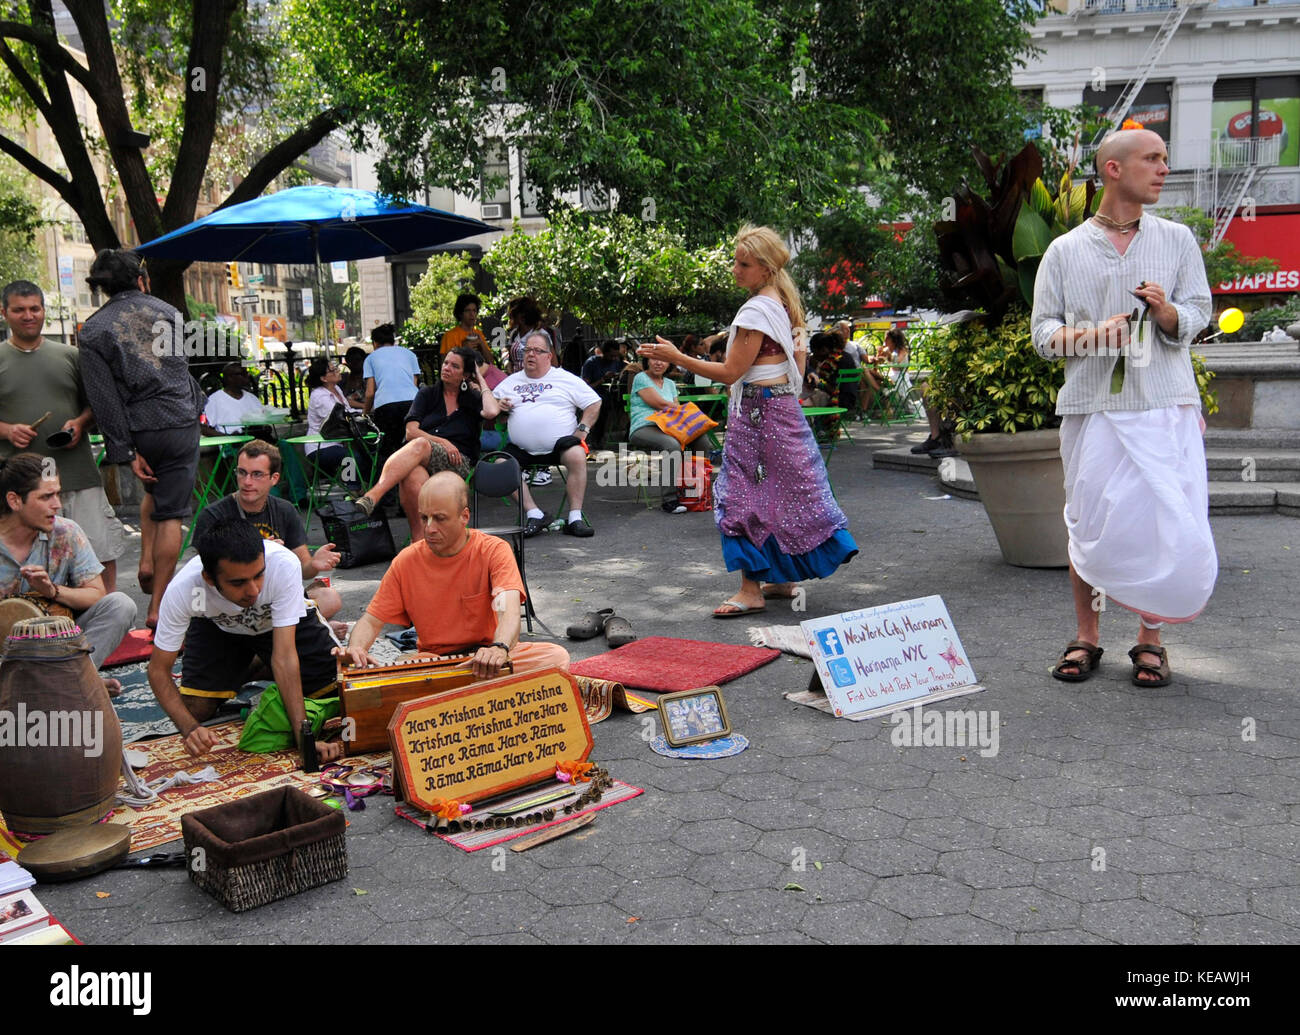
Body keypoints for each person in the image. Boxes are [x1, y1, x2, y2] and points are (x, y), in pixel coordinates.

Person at [1032, 127, 1215, 687]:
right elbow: (1043, 335)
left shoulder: (1177, 240)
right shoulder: (1063, 251)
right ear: (1113, 169)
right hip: (1093, 409)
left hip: (1164, 403)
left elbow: (1200, 313)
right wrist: (1093, 336)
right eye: (1152, 158)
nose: (1164, 168)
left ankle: (1150, 638)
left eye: (1165, 157)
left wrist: (1165, 317)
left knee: (1163, 524)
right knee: (1089, 525)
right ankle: (1087, 636)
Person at [640, 224, 857, 616]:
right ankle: (781, 579)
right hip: (784, 409)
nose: (735, 270)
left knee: (741, 497)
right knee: (788, 493)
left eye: (744, 264)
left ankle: (750, 590)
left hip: (758, 415)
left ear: (766, 268)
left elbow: (729, 372)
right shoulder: (789, 303)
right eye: (735, 261)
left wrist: (676, 356)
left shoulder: (757, 310)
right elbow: (798, 364)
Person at [337, 472, 569, 680]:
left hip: (492, 656)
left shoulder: (493, 550)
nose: (429, 528)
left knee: (554, 657)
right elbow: (371, 620)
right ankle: (471, 685)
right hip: (438, 662)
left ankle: (460, 687)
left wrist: (499, 648)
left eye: (439, 518)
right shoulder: (406, 561)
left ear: (464, 517)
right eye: (424, 518)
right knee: (402, 668)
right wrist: (356, 648)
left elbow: (508, 609)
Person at [77, 249, 204, 629]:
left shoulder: (94, 329)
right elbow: (181, 371)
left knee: (154, 493)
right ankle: (158, 607)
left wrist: (124, 451)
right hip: (179, 420)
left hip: (139, 427)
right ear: (140, 278)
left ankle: (147, 561)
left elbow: (104, 400)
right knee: (172, 514)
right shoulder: (169, 313)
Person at [148, 520, 344, 761]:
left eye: (259, 576)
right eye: (238, 582)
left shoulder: (282, 564)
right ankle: (250, 666)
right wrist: (189, 728)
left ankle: (258, 664)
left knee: (338, 691)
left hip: (277, 624)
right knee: (195, 710)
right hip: (219, 627)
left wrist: (303, 737)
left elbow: (284, 656)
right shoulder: (184, 590)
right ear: (209, 579)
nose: (253, 591)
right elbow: (158, 670)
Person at [0, 279, 127, 592]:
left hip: (76, 473)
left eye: (35, 308)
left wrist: (81, 423)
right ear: (4, 313)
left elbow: (97, 404)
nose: (28, 315)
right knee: (25, 557)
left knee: (99, 550)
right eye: (19, 310)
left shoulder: (71, 355)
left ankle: (105, 613)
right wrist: (6, 430)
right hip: (21, 485)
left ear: (44, 311)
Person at [0, 453, 136, 695]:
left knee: (120, 605)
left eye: (57, 494)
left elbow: (96, 594)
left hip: (57, 645)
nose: (57, 504)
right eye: (46, 497)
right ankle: (77, 684)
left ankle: (76, 680)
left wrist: (52, 591)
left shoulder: (66, 532)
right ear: (14, 500)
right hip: (5, 657)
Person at [190, 439, 344, 622]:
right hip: (232, 601)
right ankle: (308, 627)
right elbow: (202, 576)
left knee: (330, 598)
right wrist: (263, 552)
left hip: (275, 598)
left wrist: (314, 565)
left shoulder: (284, 510)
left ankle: (298, 627)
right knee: (199, 612)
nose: (247, 482)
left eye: (257, 474)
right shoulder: (213, 515)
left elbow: (304, 571)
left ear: (274, 478)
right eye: (242, 473)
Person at [352, 347, 501, 532]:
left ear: (466, 374)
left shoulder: (472, 398)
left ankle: (374, 495)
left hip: (459, 461)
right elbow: (410, 432)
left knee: (421, 444)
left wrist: (479, 377)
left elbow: (492, 411)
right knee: (412, 476)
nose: (446, 368)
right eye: (446, 363)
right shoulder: (427, 394)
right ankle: (420, 540)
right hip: (425, 458)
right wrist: (442, 441)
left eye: (455, 366)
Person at [494, 331, 601, 538]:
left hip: (560, 446)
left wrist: (583, 429)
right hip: (521, 448)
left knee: (578, 455)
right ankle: (535, 514)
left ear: (548, 356)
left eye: (537, 351)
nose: (530, 355)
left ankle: (575, 518)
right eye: (527, 350)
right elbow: (491, 409)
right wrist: (499, 406)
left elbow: (594, 402)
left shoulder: (565, 378)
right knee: (501, 465)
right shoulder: (511, 381)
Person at [628, 354, 689, 514]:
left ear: (669, 363)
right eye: (654, 359)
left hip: (667, 427)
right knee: (671, 445)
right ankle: (670, 500)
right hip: (644, 427)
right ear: (647, 361)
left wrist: (678, 409)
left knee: (702, 441)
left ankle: (694, 492)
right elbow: (660, 404)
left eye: (663, 359)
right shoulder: (641, 377)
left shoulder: (670, 383)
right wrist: (682, 409)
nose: (658, 362)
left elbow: (675, 406)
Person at [361, 323, 421, 461]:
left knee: (387, 451)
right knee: (411, 447)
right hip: (412, 404)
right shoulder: (410, 354)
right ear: (393, 340)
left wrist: (365, 414)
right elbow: (414, 384)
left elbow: (370, 392)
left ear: (375, 343)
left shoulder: (371, 358)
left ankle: (390, 481)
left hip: (386, 406)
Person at [304, 356, 362, 485]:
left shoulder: (337, 389)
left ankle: (357, 487)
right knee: (351, 458)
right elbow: (338, 417)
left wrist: (363, 413)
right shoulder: (319, 396)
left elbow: (348, 410)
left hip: (337, 443)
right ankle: (352, 489)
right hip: (320, 446)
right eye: (332, 370)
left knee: (366, 453)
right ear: (323, 378)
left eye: (336, 368)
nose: (337, 371)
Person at [202, 362, 264, 434]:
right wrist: (227, 438)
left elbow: (264, 419)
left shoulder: (252, 398)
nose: (247, 376)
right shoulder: (215, 400)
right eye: (243, 374)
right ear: (230, 378)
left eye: (247, 373)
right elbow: (204, 428)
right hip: (232, 441)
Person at [439, 293, 492, 363]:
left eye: (474, 310)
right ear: (460, 313)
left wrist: (481, 344)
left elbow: (491, 361)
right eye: (467, 310)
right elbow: (447, 364)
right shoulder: (450, 335)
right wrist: (463, 350)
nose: (472, 314)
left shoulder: (478, 334)